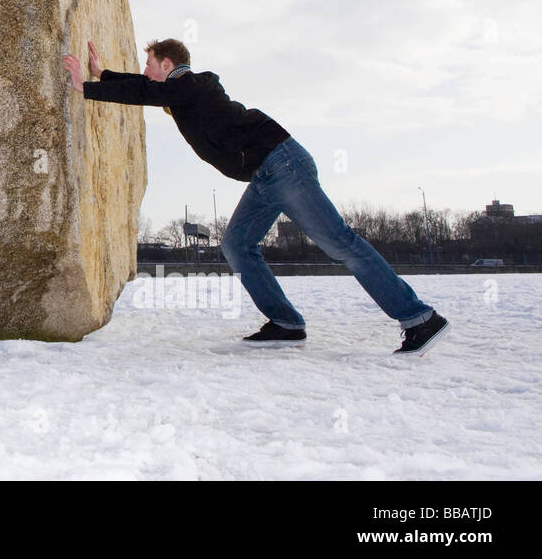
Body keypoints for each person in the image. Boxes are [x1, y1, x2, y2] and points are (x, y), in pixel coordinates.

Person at [60, 39, 448, 355]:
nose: (145, 70)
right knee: (237, 245)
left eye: (148, 64)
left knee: (340, 243)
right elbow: (147, 88)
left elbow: (146, 90)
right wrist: (104, 74)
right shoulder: (184, 93)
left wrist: (89, 86)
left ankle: (419, 318)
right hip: (267, 174)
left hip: (283, 166)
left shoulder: (193, 84)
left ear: (166, 64)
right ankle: (285, 322)